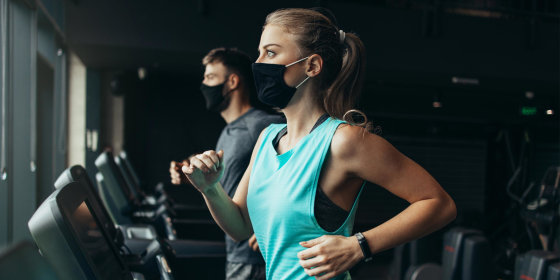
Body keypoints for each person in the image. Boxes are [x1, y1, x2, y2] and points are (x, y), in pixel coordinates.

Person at [182, 8, 457, 280]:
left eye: (271, 52)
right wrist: (210, 188)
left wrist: (360, 245)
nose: (259, 63)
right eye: (260, 53)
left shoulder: (343, 141)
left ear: (311, 66)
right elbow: (240, 227)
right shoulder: (266, 139)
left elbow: (438, 203)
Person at [169, 47, 283, 280]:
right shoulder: (228, 132)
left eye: (210, 78)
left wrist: (272, 227)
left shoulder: (264, 126)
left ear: (232, 81)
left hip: (255, 260)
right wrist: (190, 173)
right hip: (235, 251)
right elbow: (226, 182)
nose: (204, 85)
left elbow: (299, 175)